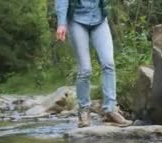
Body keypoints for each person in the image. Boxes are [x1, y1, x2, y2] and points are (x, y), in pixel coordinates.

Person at [55, 0, 132, 128]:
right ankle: (84, 110)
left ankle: (110, 110)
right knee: (85, 69)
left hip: (99, 19)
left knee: (108, 63)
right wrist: (61, 23)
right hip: (76, 20)